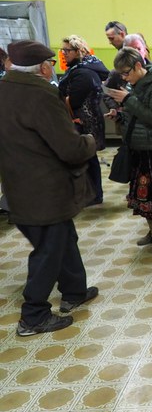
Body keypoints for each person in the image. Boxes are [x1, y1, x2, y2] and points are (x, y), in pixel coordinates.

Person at [0, 40, 98, 336]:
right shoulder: (41, 94)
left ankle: (74, 291)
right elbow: (69, 148)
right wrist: (89, 141)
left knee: (64, 238)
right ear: (43, 67)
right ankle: (33, 316)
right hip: (45, 189)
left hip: (18, 184)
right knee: (48, 251)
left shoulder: (5, 90)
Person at [105, 47, 152, 254]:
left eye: (126, 73)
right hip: (139, 146)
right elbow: (137, 116)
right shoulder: (137, 85)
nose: (124, 78)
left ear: (138, 65)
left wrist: (128, 100)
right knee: (143, 195)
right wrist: (119, 115)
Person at [58, 34, 110, 205]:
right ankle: (92, 194)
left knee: (88, 158)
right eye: (63, 50)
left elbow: (73, 100)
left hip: (85, 121)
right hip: (85, 119)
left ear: (78, 51)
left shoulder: (83, 73)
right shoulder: (81, 69)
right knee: (87, 157)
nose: (64, 53)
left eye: (67, 50)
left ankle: (94, 194)